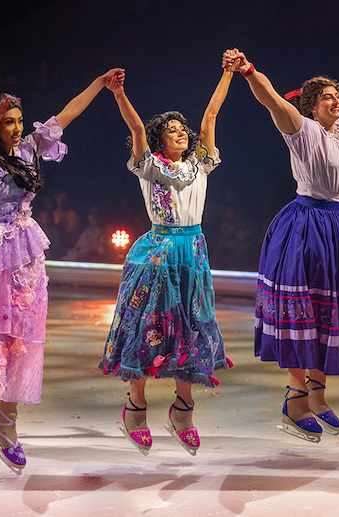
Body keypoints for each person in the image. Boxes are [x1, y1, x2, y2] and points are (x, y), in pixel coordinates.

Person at [0, 68, 124, 476]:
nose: (15, 128)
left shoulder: (29, 150)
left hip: (26, 257)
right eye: (7, 121)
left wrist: (100, 85)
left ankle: (6, 425)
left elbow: (66, 114)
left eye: (16, 120)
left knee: (21, 341)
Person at [224, 33, 339, 443]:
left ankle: (319, 393)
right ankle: (295, 398)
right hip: (306, 224)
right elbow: (272, 98)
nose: (336, 100)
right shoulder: (300, 126)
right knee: (303, 308)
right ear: (311, 104)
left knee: (329, 311)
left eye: (338, 95)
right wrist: (248, 71)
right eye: (327, 96)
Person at [99, 67, 235, 456]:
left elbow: (210, 116)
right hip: (158, 252)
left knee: (189, 327)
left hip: (192, 253)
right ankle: (135, 409)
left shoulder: (201, 163)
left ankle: (183, 410)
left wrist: (227, 72)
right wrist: (119, 93)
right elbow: (137, 130)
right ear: (161, 139)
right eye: (172, 129)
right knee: (150, 327)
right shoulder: (149, 166)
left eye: (182, 129)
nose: (180, 132)